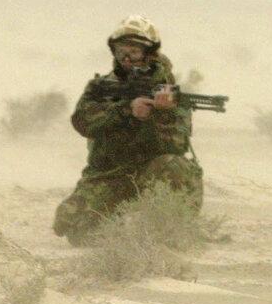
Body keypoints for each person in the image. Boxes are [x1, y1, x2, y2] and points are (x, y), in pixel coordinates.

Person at [52, 15, 204, 244]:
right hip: (108, 175)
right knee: (74, 226)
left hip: (150, 173)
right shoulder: (100, 87)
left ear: (149, 53)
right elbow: (82, 121)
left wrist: (161, 113)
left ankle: (170, 230)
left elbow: (176, 145)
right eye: (121, 50)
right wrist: (126, 110)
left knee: (175, 167)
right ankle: (122, 222)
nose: (126, 58)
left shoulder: (169, 93)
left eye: (134, 51)